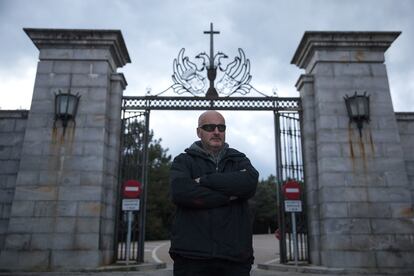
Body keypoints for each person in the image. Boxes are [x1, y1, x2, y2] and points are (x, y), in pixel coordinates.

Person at [169, 110, 259, 276]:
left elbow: (249, 183)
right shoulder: (183, 161)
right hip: (192, 257)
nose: (216, 132)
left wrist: (204, 181)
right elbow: (181, 192)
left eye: (221, 127)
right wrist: (228, 195)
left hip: (235, 258)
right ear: (199, 132)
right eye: (210, 127)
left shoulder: (238, 159)